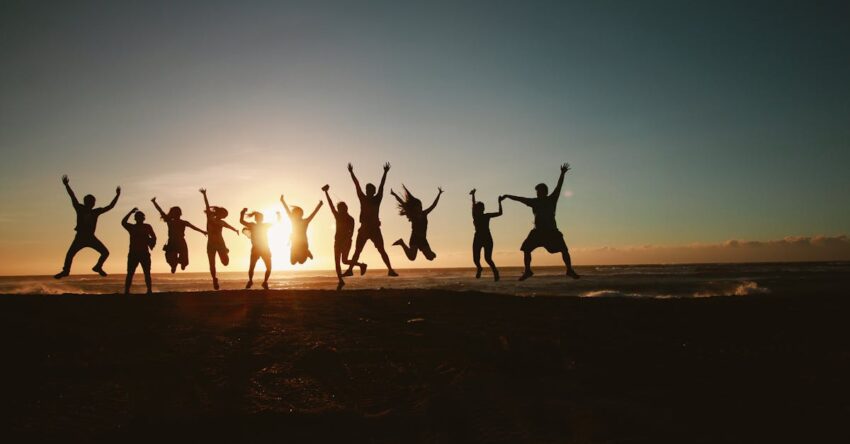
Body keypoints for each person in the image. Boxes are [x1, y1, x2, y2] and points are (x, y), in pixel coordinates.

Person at [502, 163, 580, 281]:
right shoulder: (534, 201)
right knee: (526, 249)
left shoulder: (551, 199)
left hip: (551, 231)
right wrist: (508, 196)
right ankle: (528, 270)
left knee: (564, 250)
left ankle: (569, 269)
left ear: (545, 192)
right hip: (537, 232)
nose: (537, 193)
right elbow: (520, 199)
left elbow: (559, 187)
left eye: (539, 191)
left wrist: (562, 173)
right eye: (537, 192)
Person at [54, 175, 120, 279]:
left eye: (93, 202)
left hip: (90, 237)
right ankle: (66, 271)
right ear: (86, 202)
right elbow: (73, 197)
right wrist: (67, 185)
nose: (92, 203)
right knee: (70, 254)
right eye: (90, 201)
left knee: (105, 252)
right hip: (80, 237)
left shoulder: (95, 212)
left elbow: (110, 207)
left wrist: (117, 195)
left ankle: (98, 267)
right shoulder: (80, 208)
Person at [344, 162, 398, 277]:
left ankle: (390, 269)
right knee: (357, 251)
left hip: (374, 229)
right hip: (364, 229)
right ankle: (350, 270)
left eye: (369, 190)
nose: (367, 191)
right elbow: (357, 185)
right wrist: (351, 173)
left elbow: (381, 186)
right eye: (367, 189)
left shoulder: (377, 199)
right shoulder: (363, 198)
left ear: (372, 192)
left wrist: (385, 173)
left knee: (381, 250)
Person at [322, 184, 367, 290]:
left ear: (346, 208)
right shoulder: (337, 216)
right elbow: (331, 205)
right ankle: (342, 280)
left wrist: (346, 241)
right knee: (339, 262)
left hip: (346, 242)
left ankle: (360, 266)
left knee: (344, 261)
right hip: (337, 242)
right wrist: (326, 192)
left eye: (342, 208)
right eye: (339, 208)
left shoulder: (350, 219)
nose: (341, 210)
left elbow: (351, 233)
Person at [151, 197, 207, 273]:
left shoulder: (183, 222)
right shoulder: (170, 221)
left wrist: (202, 231)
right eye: (174, 213)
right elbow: (160, 211)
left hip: (180, 241)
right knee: (170, 258)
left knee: (184, 260)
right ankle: (174, 265)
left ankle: (181, 264)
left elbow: (193, 227)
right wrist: (154, 202)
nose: (176, 214)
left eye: (177, 212)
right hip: (172, 241)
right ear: (172, 214)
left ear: (180, 214)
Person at [200, 188, 239, 290]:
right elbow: (207, 206)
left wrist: (235, 230)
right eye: (223, 214)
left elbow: (229, 226)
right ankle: (214, 279)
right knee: (212, 264)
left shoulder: (222, 222)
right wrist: (204, 195)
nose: (224, 217)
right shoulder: (209, 218)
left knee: (226, 263)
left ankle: (225, 251)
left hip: (221, 244)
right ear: (219, 213)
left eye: (225, 216)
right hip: (211, 245)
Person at [390, 186, 443, 261]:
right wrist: (394, 194)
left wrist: (439, 194)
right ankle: (401, 243)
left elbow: (433, 205)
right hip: (415, 238)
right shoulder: (412, 215)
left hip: (423, 239)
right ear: (414, 207)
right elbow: (402, 202)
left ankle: (429, 253)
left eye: (420, 206)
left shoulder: (424, 213)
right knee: (412, 258)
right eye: (418, 206)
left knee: (430, 258)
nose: (419, 207)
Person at [470, 189, 504, 281]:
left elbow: (500, 213)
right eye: (478, 209)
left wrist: (499, 202)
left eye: (481, 208)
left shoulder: (486, 216)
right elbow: (473, 205)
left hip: (487, 238)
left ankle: (495, 272)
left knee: (488, 258)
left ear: (483, 209)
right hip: (478, 238)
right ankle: (479, 268)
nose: (479, 210)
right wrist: (473, 195)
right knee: (475, 258)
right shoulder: (475, 215)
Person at [240, 208, 279, 289]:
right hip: (257, 249)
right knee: (252, 267)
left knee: (268, 267)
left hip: (264, 248)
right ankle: (251, 281)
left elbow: (276, 223)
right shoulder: (253, 225)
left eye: (261, 218)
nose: (260, 219)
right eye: (259, 218)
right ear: (256, 219)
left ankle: (264, 282)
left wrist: (278, 216)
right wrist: (242, 213)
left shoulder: (264, 225)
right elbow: (242, 221)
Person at [121, 207, 156, 295]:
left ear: (143, 218)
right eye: (139, 217)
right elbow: (123, 222)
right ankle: (127, 291)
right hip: (134, 253)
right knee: (131, 273)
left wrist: (151, 243)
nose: (140, 219)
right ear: (136, 218)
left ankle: (149, 290)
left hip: (143, 253)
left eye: (141, 217)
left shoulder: (147, 226)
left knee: (146, 273)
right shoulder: (132, 227)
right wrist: (130, 212)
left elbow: (154, 237)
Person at [280, 194, 322, 265]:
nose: (297, 215)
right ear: (294, 214)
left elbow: (313, 214)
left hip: (303, 244)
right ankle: (306, 252)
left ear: (301, 214)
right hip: (295, 243)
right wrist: (282, 201)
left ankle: (306, 252)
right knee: (293, 262)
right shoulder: (293, 220)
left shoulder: (305, 221)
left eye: (299, 214)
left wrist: (319, 205)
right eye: (296, 214)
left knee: (301, 262)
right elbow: (287, 210)